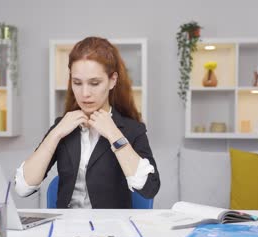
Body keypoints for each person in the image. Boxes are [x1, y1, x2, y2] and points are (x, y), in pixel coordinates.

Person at [14, 36, 160, 208]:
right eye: (77, 83)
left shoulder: (132, 129)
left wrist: (114, 134)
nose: (85, 93)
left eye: (94, 83)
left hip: (111, 229)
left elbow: (149, 188)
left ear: (112, 80)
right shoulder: (63, 126)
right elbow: (23, 188)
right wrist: (56, 134)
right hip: (65, 227)